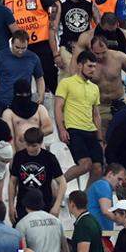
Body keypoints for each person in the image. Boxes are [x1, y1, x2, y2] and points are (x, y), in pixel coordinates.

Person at [2, 0, 60, 95]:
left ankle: (57, 103)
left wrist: (53, 22)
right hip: (21, 46)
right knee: (22, 79)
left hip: (41, 42)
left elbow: (54, 5)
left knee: (49, 75)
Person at [54, 51, 105, 187]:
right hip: (74, 129)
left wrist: (100, 139)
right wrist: (61, 129)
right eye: (89, 66)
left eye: (94, 66)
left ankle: (86, 202)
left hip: (91, 131)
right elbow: (58, 107)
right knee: (85, 164)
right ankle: (56, 185)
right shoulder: (67, 83)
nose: (93, 70)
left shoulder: (94, 88)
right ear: (79, 65)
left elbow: (96, 114)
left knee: (98, 169)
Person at [8, 127, 65, 221]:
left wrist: (56, 206)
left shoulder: (49, 158)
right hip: (23, 205)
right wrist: (11, 206)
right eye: (27, 145)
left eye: (34, 146)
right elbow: (12, 182)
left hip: (44, 204)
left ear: (41, 143)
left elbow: (62, 183)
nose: (30, 148)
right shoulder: (19, 156)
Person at [0, 30, 45, 115]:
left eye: (23, 48)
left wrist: (41, 95)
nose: (20, 51)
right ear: (11, 43)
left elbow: (39, 78)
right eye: (17, 47)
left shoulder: (33, 58)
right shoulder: (0, 56)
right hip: (3, 103)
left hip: (24, 103)